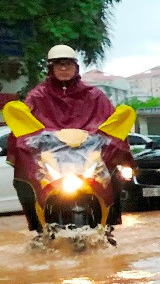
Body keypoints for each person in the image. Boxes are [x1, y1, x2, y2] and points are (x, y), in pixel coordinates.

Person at [7, 45, 122, 234]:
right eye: (58, 64)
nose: (63, 68)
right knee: (22, 180)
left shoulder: (94, 95)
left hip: (87, 157)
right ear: (50, 68)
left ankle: (110, 224)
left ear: (76, 67)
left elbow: (110, 123)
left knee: (116, 174)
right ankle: (37, 227)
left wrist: (112, 139)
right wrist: (24, 144)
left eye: (68, 64)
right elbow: (24, 127)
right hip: (51, 159)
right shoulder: (37, 96)